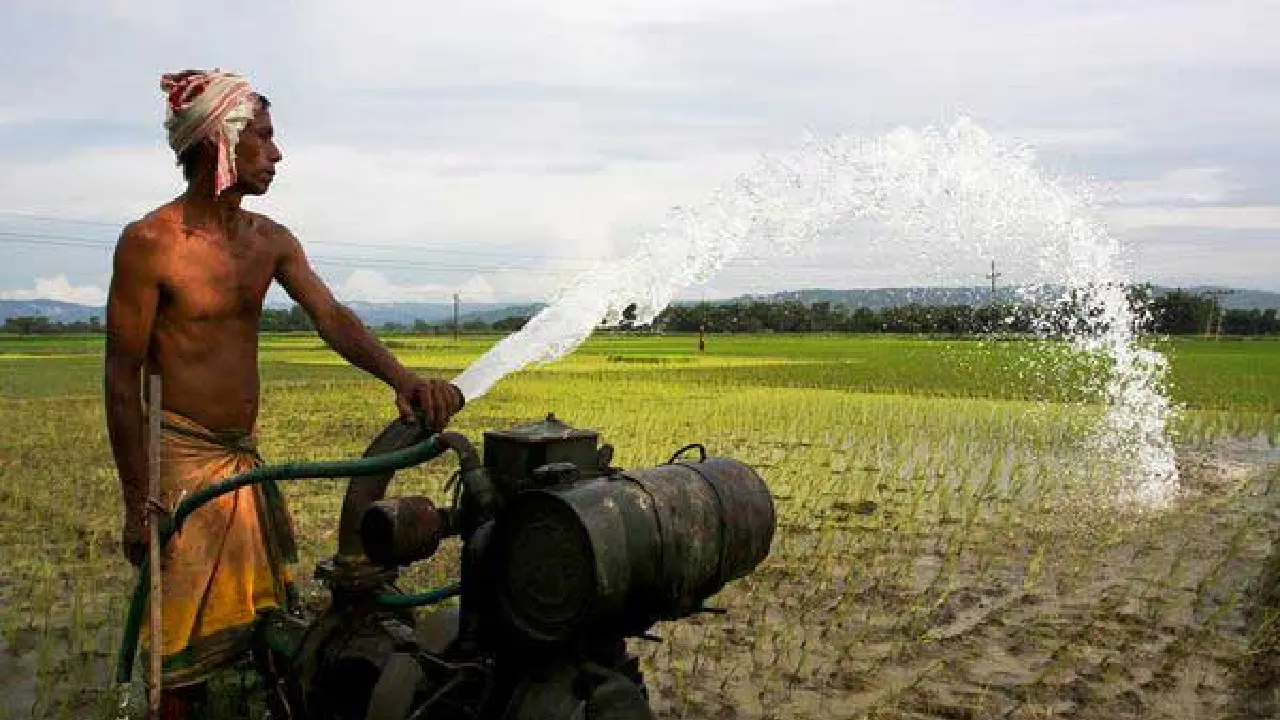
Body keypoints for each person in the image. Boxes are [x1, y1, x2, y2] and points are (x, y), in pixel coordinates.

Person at [103, 69, 464, 718]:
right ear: (221, 143)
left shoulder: (269, 241)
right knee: (181, 654)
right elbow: (121, 379)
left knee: (267, 617)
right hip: (182, 464)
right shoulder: (150, 244)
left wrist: (403, 380)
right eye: (263, 138)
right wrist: (138, 503)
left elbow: (332, 318)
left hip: (241, 462)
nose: (277, 153)